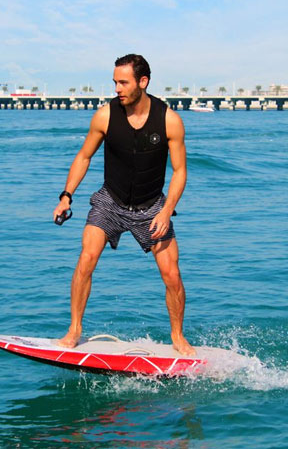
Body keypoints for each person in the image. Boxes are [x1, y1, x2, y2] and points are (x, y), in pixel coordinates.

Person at [53, 54, 195, 356]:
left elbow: (180, 170)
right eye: (115, 82)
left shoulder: (169, 120)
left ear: (142, 82)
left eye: (123, 82)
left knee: (172, 274)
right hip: (110, 200)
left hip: (152, 206)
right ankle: (74, 330)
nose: (117, 88)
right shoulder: (105, 116)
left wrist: (167, 211)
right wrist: (66, 195)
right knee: (87, 258)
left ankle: (178, 337)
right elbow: (84, 156)